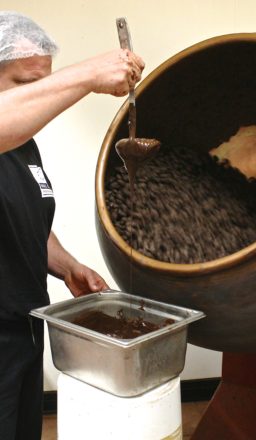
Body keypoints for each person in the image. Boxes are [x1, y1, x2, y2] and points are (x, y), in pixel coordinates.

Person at [0, 11, 145, 440]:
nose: (39, 94)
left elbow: (27, 224)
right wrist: (88, 75)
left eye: (44, 80)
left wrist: (67, 266)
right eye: (25, 84)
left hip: (26, 326)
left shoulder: (24, 148)